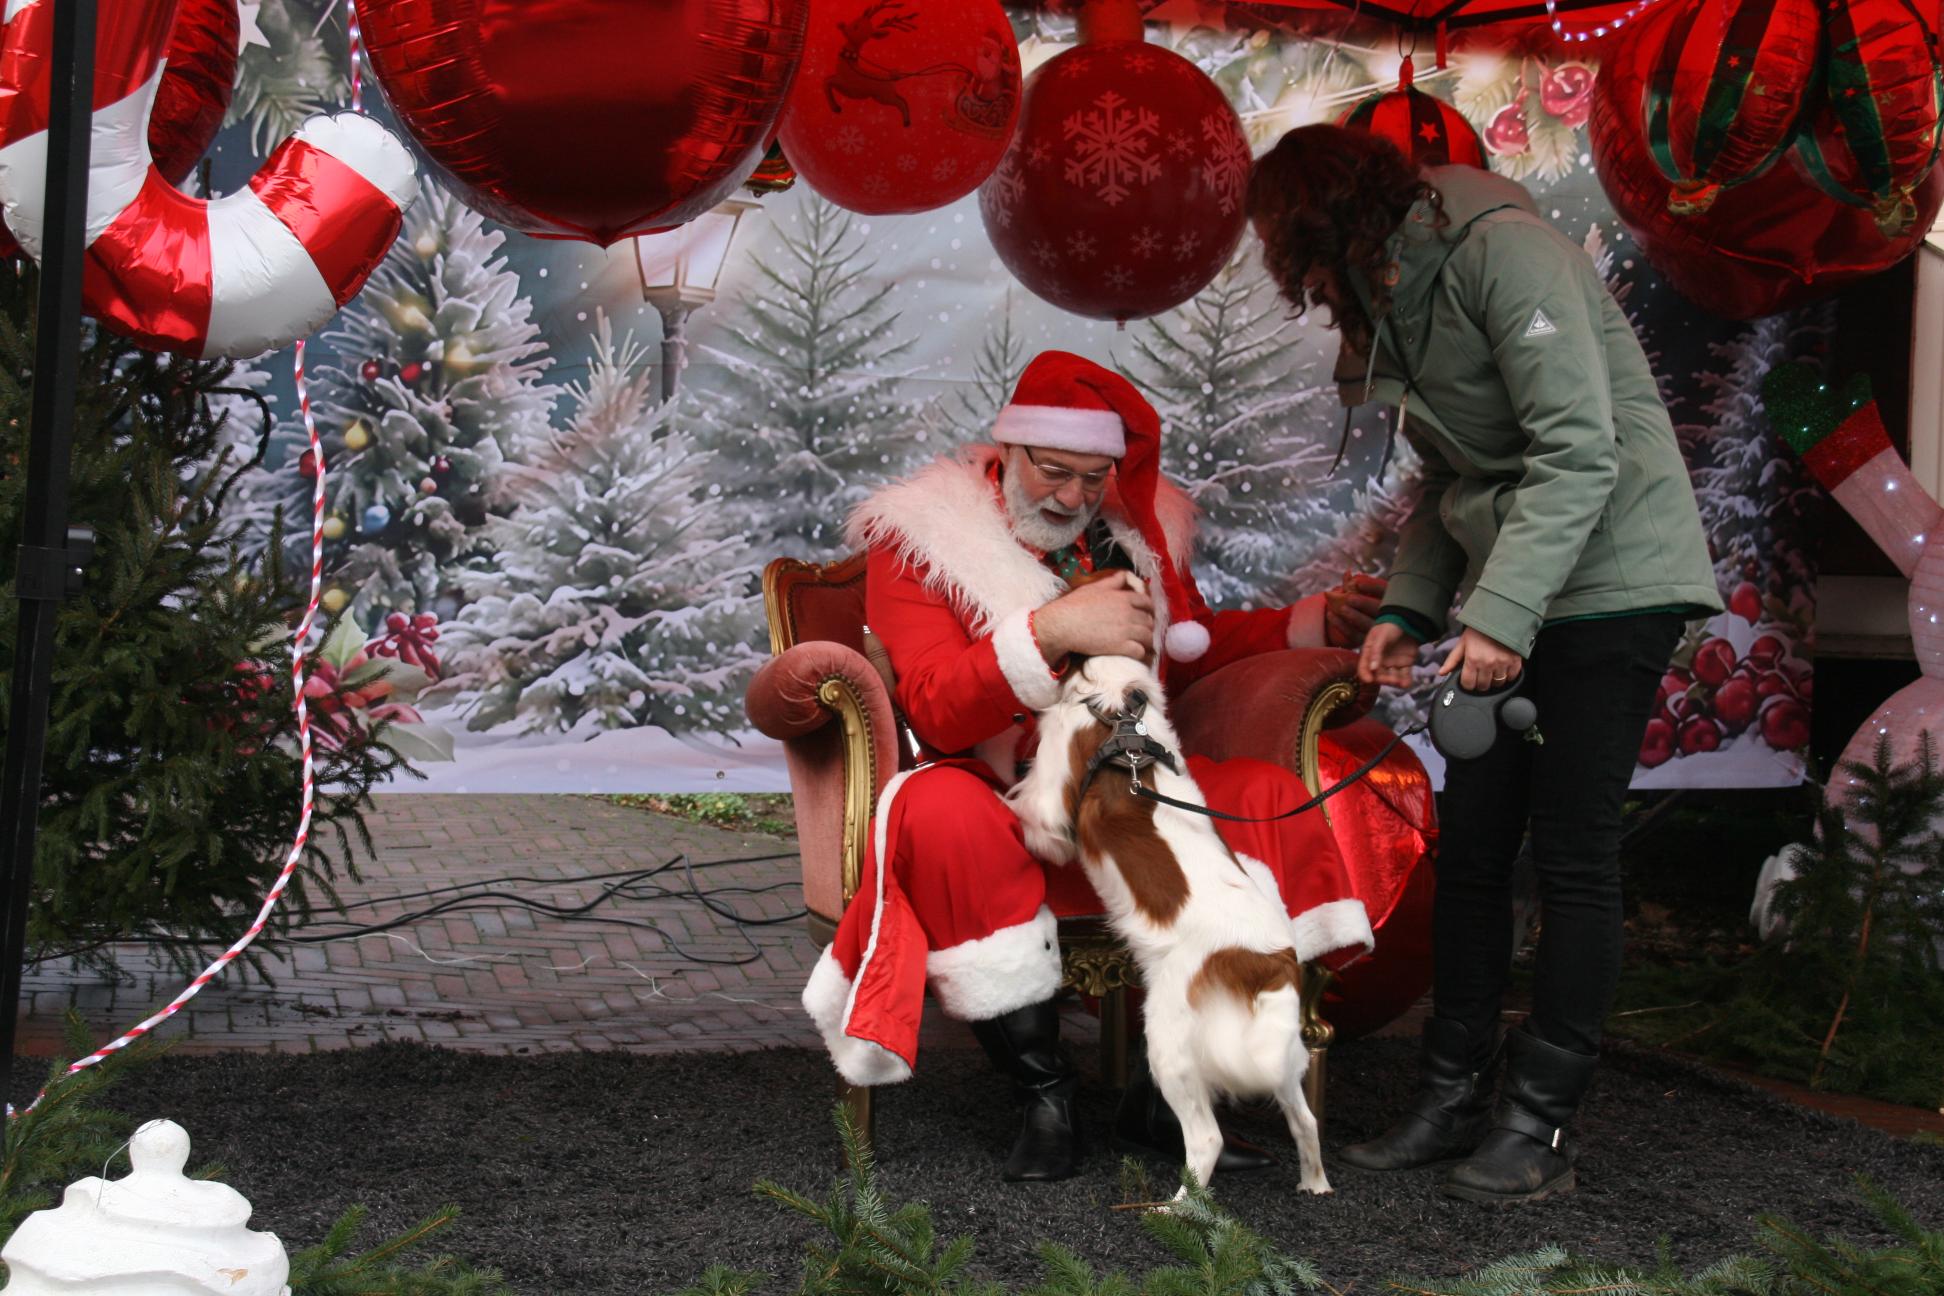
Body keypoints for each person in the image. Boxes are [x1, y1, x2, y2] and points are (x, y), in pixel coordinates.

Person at [1245, 125, 1722, 1204]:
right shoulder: (1391, 295)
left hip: (1615, 579)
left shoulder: (1506, 253)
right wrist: (1410, 610)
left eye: (1297, 252)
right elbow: (1450, 478)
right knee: (1471, 854)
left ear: (1338, 222)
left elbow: (1579, 452)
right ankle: (1450, 1097)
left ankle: (1537, 1121)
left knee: (1572, 852)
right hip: (1518, 585)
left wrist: (1499, 618)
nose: (1301, 283)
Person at [800, 349, 1385, 1182]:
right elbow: (933, 706)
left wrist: (1314, 619)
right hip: (998, 784)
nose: (1074, 499)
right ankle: (1047, 1097)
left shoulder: (1131, 539)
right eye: (1053, 471)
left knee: (1259, 793)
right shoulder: (924, 541)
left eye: (1093, 477)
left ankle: (1170, 1095)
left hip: (1127, 778)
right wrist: (1050, 632)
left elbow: (1194, 643)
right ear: (1008, 449)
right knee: (938, 812)